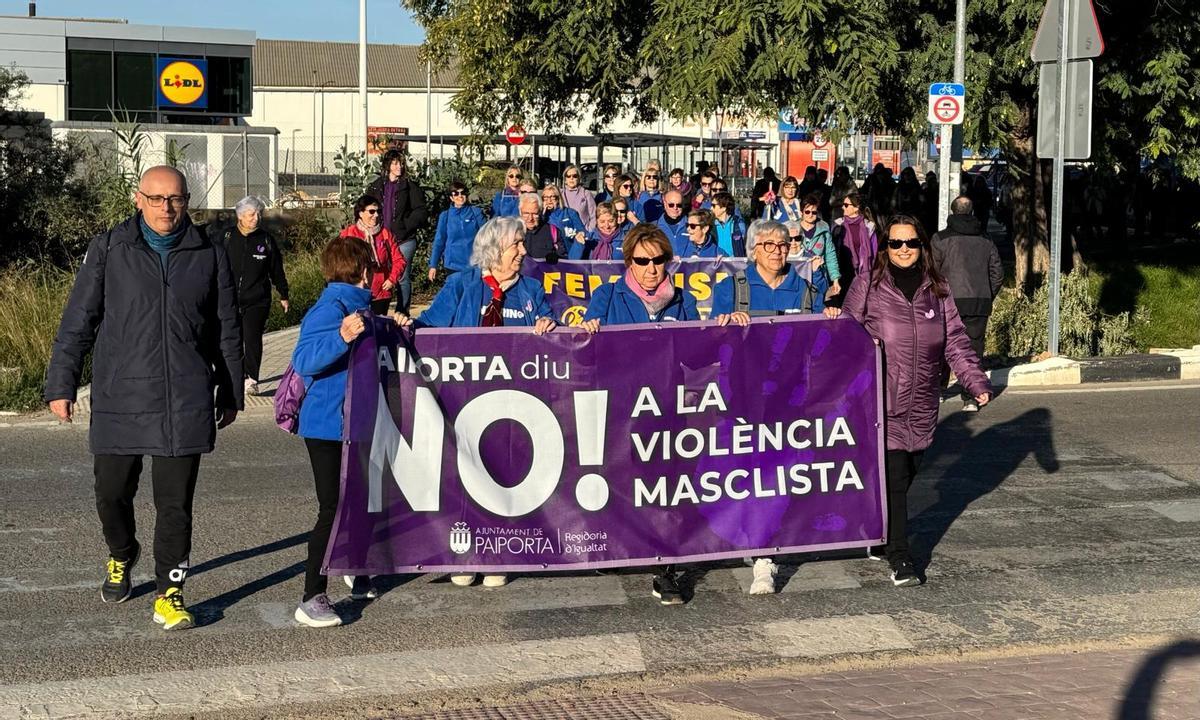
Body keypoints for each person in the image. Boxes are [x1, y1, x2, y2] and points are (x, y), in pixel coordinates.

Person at [44, 166, 242, 631]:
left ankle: (169, 594)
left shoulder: (209, 252)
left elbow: (226, 328)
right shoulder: (110, 248)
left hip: (185, 398)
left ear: (187, 200)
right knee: (111, 494)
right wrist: (61, 383)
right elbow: (80, 318)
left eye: (174, 199)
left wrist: (231, 388)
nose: (165, 208)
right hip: (120, 393)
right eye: (156, 199)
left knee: (175, 506)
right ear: (138, 199)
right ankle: (122, 552)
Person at [398, 218, 556, 590]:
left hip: (514, 404)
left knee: (504, 474)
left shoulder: (531, 289)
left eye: (521, 244)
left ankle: (498, 550)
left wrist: (549, 327)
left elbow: (554, 327)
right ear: (493, 250)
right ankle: (466, 551)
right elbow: (430, 328)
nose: (522, 251)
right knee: (463, 475)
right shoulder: (461, 285)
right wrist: (406, 326)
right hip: (463, 402)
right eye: (515, 245)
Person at [842, 215, 991, 587]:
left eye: (911, 243)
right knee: (893, 480)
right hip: (880, 401)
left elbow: (955, 339)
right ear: (885, 247)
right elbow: (845, 332)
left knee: (908, 473)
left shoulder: (937, 289)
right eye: (896, 243)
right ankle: (900, 556)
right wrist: (865, 347)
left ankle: (881, 532)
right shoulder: (868, 286)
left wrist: (974, 380)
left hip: (923, 401)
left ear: (922, 246)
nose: (904, 250)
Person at [579, 224, 697, 605]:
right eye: (642, 261)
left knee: (663, 484)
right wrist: (587, 330)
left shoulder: (682, 300)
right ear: (629, 261)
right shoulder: (608, 295)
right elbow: (581, 346)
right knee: (619, 479)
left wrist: (726, 330)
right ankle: (616, 542)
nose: (651, 268)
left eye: (658, 260)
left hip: (666, 407)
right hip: (619, 406)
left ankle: (664, 568)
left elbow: (701, 350)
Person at [289, 236, 380, 627]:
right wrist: (341, 337)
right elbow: (303, 360)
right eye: (371, 269)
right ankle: (312, 595)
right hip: (328, 425)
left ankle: (354, 567)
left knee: (357, 499)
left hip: (355, 422)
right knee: (333, 507)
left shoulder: (361, 308)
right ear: (363, 272)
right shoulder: (330, 309)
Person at [931, 196, 1003, 412]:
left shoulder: (940, 239)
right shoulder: (986, 239)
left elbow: (932, 271)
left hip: (948, 301)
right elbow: (997, 272)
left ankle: (938, 391)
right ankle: (970, 396)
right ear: (972, 211)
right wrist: (987, 294)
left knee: (940, 346)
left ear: (952, 212)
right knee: (973, 348)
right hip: (979, 302)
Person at [222, 195, 289, 397]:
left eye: (259, 214)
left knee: (252, 339)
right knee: (231, 339)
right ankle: (233, 375)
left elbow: (276, 270)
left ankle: (251, 379)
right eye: (251, 214)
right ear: (240, 216)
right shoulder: (226, 238)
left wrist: (283, 293)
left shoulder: (266, 240)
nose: (256, 218)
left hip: (257, 300)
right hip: (229, 299)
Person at [366, 149, 426, 314]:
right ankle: (379, 311)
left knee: (402, 277)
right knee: (379, 276)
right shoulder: (377, 186)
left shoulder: (410, 187)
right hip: (381, 239)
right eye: (394, 163)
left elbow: (420, 211)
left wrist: (405, 226)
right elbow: (365, 207)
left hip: (404, 240)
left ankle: (402, 313)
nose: (398, 166)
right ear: (388, 165)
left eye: (400, 163)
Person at [339, 194, 406, 315]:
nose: (376, 215)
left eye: (378, 211)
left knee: (378, 329)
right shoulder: (348, 234)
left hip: (380, 292)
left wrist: (392, 279)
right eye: (371, 211)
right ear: (360, 213)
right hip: (355, 291)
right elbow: (339, 261)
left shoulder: (385, 234)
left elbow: (399, 260)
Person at [429, 180, 485, 282]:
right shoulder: (445, 216)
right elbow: (439, 241)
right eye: (456, 194)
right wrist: (433, 265)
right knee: (455, 294)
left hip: (473, 263)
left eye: (462, 193)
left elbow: (487, 236)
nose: (460, 196)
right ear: (451, 198)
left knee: (471, 295)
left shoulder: (476, 213)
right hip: (453, 265)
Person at [790, 193, 842, 299]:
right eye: (807, 212)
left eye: (814, 212)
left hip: (818, 276)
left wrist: (835, 279)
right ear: (801, 212)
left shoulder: (823, 228)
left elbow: (830, 254)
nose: (810, 215)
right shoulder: (793, 228)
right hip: (798, 275)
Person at [830, 191, 878, 301]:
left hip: (863, 272)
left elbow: (874, 251)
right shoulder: (838, 225)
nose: (843, 207)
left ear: (856, 208)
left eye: (846, 205)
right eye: (843, 204)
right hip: (843, 270)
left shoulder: (869, 226)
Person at [519, 192, 567, 259]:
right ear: (520, 212)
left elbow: (562, 261)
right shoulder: (512, 233)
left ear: (540, 212)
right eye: (526, 213)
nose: (530, 218)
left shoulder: (552, 232)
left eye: (534, 214)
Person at [561, 164, 597, 231]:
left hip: (583, 234)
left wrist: (589, 231)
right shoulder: (560, 194)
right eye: (568, 176)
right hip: (564, 234)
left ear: (579, 178)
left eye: (574, 176)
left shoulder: (586, 194)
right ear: (565, 179)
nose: (571, 178)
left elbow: (594, 215)